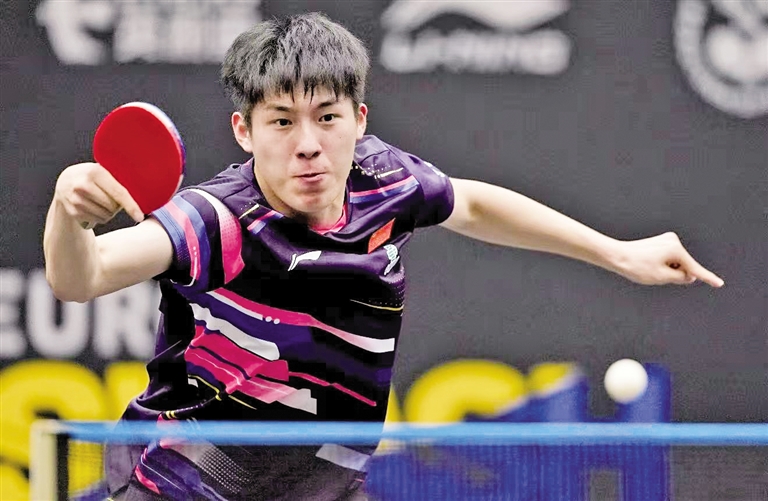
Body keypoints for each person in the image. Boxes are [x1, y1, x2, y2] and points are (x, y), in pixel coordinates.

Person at [43, 12, 724, 501]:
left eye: (327, 116)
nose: (307, 144)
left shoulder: (384, 180)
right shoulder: (215, 220)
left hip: (326, 487)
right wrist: (67, 215)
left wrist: (618, 252)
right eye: (281, 121)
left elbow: (471, 203)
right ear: (244, 131)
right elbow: (84, 276)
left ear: (359, 120)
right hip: (182, 483)